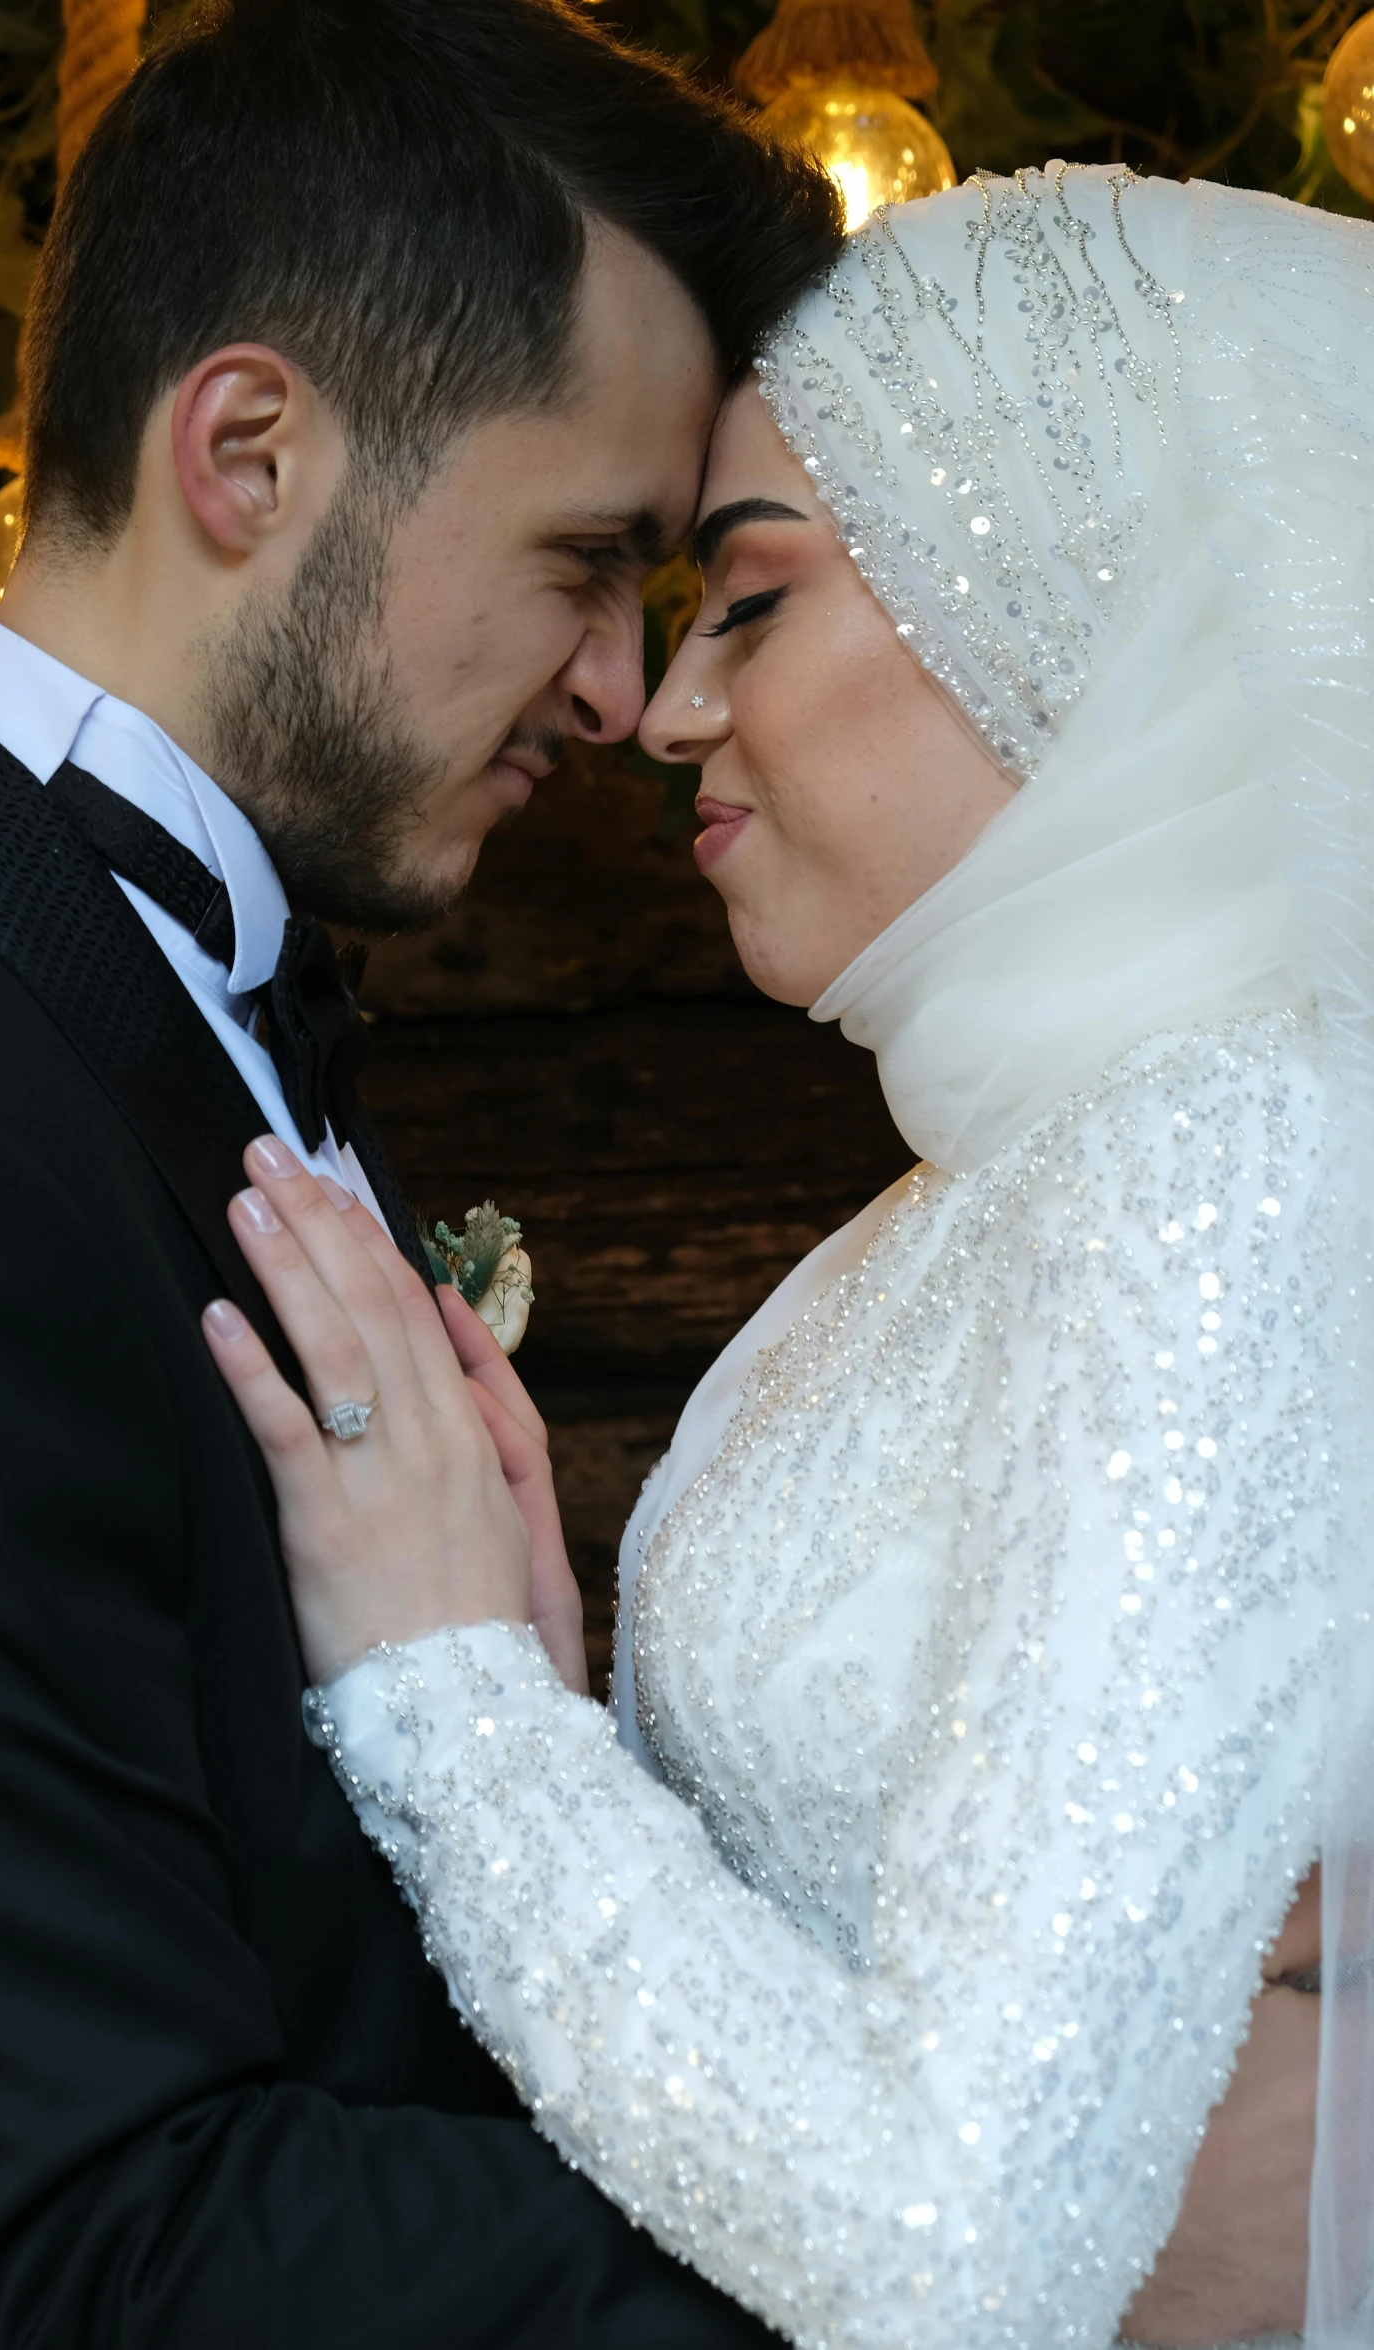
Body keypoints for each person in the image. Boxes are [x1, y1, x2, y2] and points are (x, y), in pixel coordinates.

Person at [201, 164, 1374, 2348]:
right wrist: (566, 1699)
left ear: (1066, 594)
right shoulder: (948, 1209)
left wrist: (451, 1701)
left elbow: (954, 2240)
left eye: (753, 601)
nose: (663, 709)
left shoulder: (1215, 1155)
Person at [0, 3, 848, 2343]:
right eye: (589, 559)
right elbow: (98, 2236)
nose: (617, 687)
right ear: (251, 451)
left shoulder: (164, 999)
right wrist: (941, 2241)